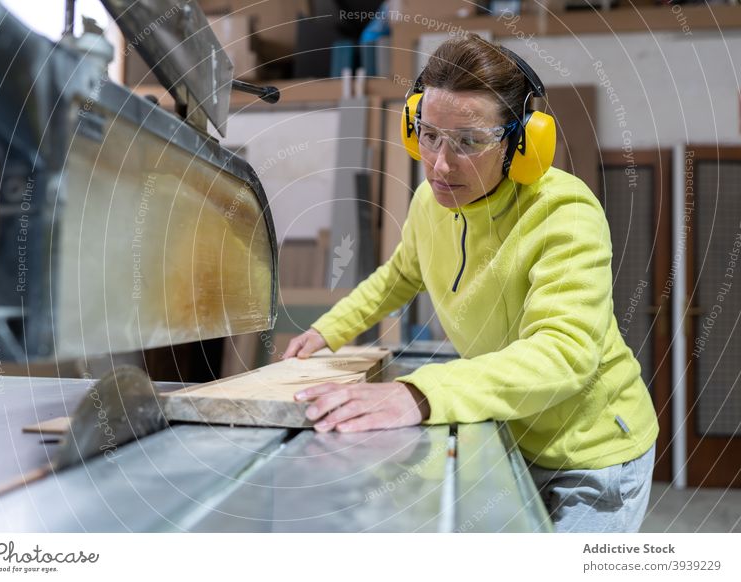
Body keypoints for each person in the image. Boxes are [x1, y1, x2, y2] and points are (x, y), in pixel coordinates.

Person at [282, 33, 658, 533]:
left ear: (522, 143)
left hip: (592, 457)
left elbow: (564, 353)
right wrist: (326, 332)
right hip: (512, 433)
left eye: (470, 142)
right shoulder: (428, 203)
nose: (440, 163)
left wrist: (419, 394)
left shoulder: (565, 214)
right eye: (430, 134)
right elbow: (398, 275)